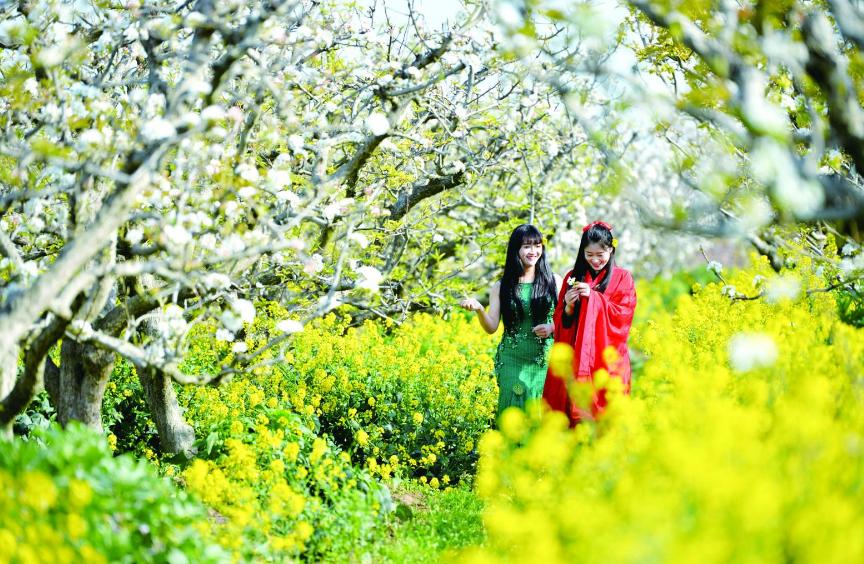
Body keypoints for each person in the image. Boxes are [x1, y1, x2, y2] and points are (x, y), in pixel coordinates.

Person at [460, 224, 561, 417]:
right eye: (527, 246)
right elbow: (491, 327)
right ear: (516, 249)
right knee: (512, 412)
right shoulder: (502, 286)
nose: (533, 251)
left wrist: (551, 327)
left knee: (538, 413)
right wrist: (480, 309)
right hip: (512, 358)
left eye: (537, 245)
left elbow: (568, 320)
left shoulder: (554, 281)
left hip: (544, 359)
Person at [543, 220, 637, 426]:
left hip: (607, 361)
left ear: (611, 251)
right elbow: (561, 323)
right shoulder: (572, 277)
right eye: (589, 255)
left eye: (600, 255)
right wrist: (568, 306)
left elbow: (623, 318)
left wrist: (594, 298)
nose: (595, 260)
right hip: (575, 357)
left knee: (605, 420)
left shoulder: (623, 278)